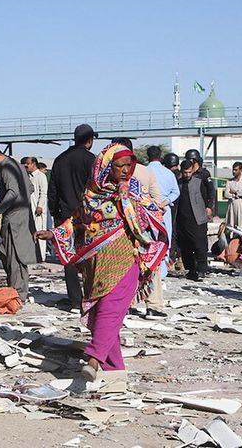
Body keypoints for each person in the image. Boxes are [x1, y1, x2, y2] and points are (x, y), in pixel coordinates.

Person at [35, 143, 167, 380]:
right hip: (96, 264)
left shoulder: (133, 191)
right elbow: (77, 221)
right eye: (120, 166)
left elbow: (154, 214)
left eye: (129, 165)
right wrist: (54, 233)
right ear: (106, 167)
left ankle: (94, 359)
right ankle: (114, 369)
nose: (126, 170)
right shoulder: (91, 194)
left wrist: (136, 206)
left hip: (126, 257)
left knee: (110, 307)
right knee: (101, 312)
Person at [0, 145, 39, 301]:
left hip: (13, 217)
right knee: (20, 257)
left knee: (11, 256)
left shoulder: (6, 168)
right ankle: (21, 292)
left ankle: (15, 293)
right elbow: (30, 188)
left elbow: (13, 192)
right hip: (24, 214)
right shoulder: (18, 165)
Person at [49, 124, 97, 310]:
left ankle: (75, 299)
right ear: (90, 140)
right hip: (88, 217)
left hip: (65, 216)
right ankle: (91, 296)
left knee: (69, 257)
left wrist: (55, 215)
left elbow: (53, 190)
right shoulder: (92, 160)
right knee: (90, 255)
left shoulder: (60, 160)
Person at [140, 145, 180, 319]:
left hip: (143, 216)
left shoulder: (141, 171)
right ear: (161, 156)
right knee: (163, 245)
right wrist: (165, 202)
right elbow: (175, 192)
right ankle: (160, 277)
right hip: (162, 213)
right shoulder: (168, 173)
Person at [177, 158, 211, 280]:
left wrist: (209, 207)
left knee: (199, 245)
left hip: (197, 219)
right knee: (185, 247)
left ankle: (202, 270)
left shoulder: (198, 182)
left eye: (189, 172)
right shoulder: (178, 183)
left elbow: (207, 195)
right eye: (185, 172)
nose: (187, 175)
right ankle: (191, 270)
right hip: (182, 221)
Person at [22, 157, 49, 260]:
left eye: (27, 163)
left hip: (38, 210)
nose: (26, 166)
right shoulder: (27, 177)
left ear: (33, 163)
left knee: (39, 232)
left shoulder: (41, 176)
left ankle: (41, 256)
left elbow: (43, 192)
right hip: (29, 209)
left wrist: (40, 206)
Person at [183, 149, 217, 222]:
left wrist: (209, 207)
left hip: (200, 209)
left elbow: (211, 191)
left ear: (194, 160)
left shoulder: (204, 174)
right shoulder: (186, 174)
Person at [224, 162, 242, 230]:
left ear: (240, 170)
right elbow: (226, 194)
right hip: (231, 208)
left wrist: (235, 192)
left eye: (236, 170)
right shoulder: (229, 181)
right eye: (233, 170)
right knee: (231, 227)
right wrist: (235, 195)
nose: (233, 171)